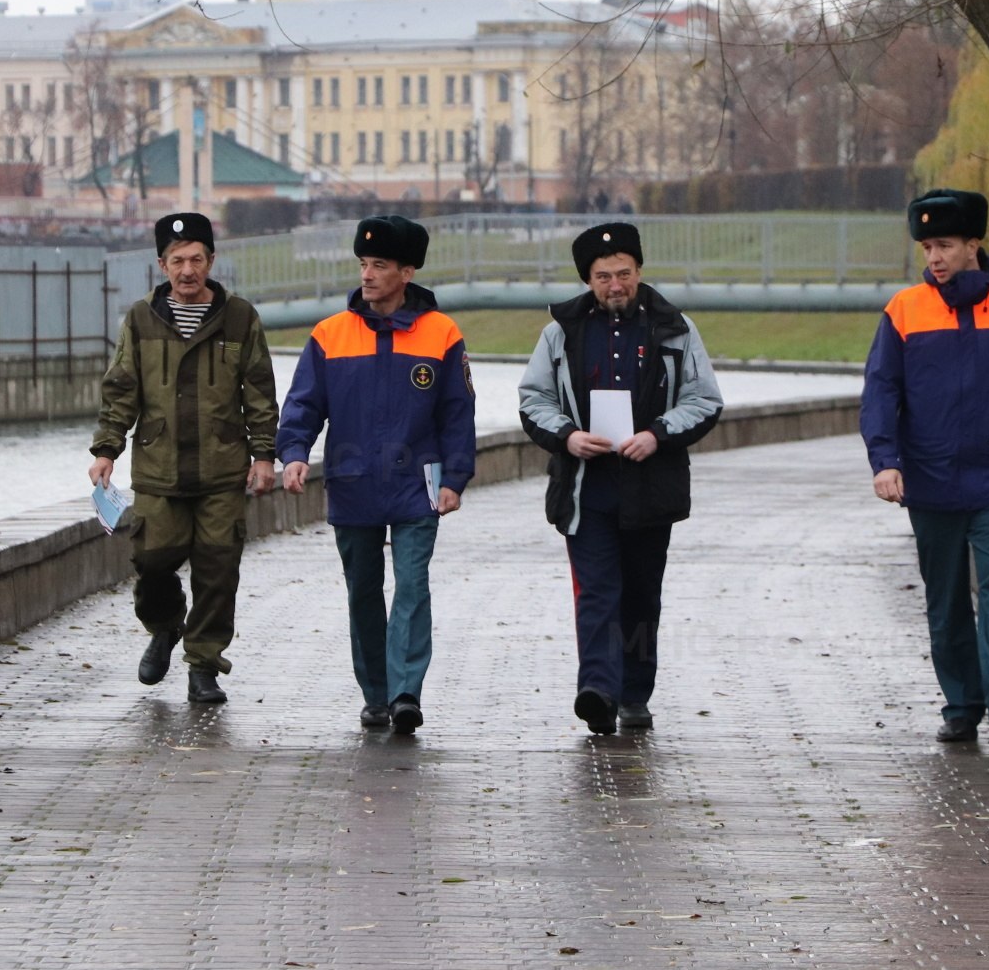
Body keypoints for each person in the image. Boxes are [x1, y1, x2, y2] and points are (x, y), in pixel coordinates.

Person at [860, 188, 989, 747]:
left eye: (945, 245)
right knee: (946, 596)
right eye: (927, 246)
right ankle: (962, 703)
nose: (934, 257)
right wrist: (885, 462)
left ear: (974, 244)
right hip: (930, 481)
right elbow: (881, 392)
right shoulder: (904, 310)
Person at [518, 222, 724, 735]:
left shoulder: (676, 329)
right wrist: (567, 435)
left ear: (639, 272)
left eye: (624, 274)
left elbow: (705, 399)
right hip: (587, 487)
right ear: (588, 280)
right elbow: (533, 398)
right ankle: (598, 690)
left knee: (640, 595)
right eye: (603, 276)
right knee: (596, 590)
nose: (615, 285)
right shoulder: (560, 333)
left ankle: (634, 692)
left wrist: (657, 434)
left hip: (651, 483)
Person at [277, 215, 477, 734]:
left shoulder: (442, 334)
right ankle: (376, 693)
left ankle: (406, 692)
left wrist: (455, 478)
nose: (367, 275)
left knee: (412, 584)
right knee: (363, 591)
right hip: (352, 479)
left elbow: (457, 414)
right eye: (363, 264)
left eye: (380, 265)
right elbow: (303, 404)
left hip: (418, 485)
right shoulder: (330, 334)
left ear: (407, 271)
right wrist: (295, 452)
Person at [89, 212, 279, 705]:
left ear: (212, 261)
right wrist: (107, 448)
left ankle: (203, 664)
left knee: (218, 569)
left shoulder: (239, 317)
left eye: (196, 259)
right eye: (177, 261)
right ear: (161, 264)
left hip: (222, 468)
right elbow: (121, 389)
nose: (187, 270)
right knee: (151, 561)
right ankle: (166, 625)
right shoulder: (141, 318)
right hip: (159, 468)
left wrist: (264, 455)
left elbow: (259, 391)